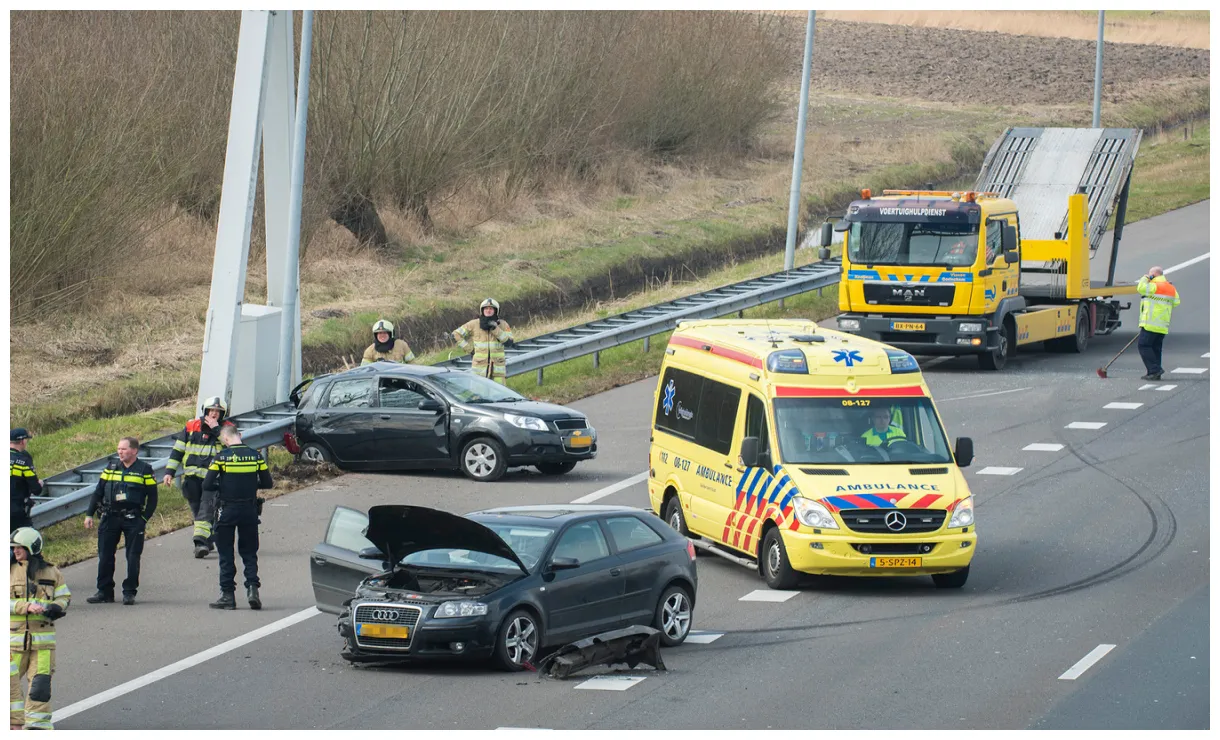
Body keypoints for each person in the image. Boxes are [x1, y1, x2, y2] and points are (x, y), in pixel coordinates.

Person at [203, 425, 273, 611]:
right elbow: (268, 483)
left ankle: (228, 596)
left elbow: (207, 484)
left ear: (225, 440)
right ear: (239, 436)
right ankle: (252, 589)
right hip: (249, 509)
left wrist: (223, 486)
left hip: (227, 510)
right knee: (249, 552)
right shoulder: (256, 456)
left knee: (226, 553)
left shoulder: (221, 458)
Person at [84, 437, 158, 606]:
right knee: (105, 555)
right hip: (110, 517)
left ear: (134, 451)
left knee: (132, 556)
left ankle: (129, 592)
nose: (120, 452)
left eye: (124, 449)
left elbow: (153, 499)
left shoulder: (145, 470)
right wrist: (89, 514)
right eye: (119, 449)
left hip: (133, 519)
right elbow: (98, 492)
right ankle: (104, 591)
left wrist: (144, 519)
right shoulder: (110, 468)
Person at [9, 527, 70, 730]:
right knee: (8, 686)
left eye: (19, 547)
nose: (15, 551)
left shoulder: (52, 572)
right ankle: (11, 723)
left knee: (40, 686)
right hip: (13, 642)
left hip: (43, 644)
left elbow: (64, 597)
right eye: (13, 548)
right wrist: (24, 606)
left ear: (32, 548)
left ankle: (37, 726)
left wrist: (56, 607)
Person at [164, 397, 235, 559]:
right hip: (192, 479)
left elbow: (232, 445)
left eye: (217, 411)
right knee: (197, 510)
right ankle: (209, 538)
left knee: (206, 509)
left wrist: (216, 429)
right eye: (211, 410)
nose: (214, 414)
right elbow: (178, 450)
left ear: (223, 414)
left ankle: (200, 542)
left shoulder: (228, 428)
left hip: (214, 480)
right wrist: (169, 472)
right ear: (205, 411)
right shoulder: (191, 426)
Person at [452, 298, 515, 384]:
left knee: (498, 396)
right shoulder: (474, 324)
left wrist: (495, 329)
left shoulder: (503, 324)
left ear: (496, 311)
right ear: (482, 310)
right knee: (478, 396)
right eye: (486, 308)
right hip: (479, 371)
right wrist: (469, 349)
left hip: (497, 372)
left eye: (491, 309)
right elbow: (456, 334)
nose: (488, 311)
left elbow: (509, 342)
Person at [1135, 266, 1180, 381]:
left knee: (1144, 345)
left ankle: (1155, 370)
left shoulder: (1154, 286)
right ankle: (1154, 373)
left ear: (1153, 275)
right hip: (1162, 324)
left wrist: (1145, 278)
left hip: (1151, 323)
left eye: (1150, 275)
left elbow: (1140, 288)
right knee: (1155, 348)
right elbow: (1176, 302)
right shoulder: (1171, 288)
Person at [10, 429, 41, 531]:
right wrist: (40, 484)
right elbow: (36, 490)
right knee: (25, 537)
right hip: (15, 510)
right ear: (22, 441)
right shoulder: (23, 461)